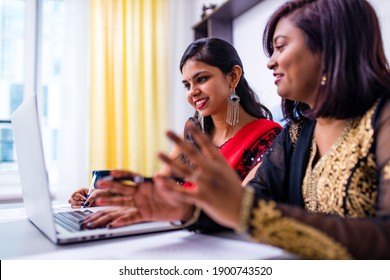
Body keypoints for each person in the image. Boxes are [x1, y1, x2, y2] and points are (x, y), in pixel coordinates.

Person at [150, 0, 390, 259]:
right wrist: (181, 210)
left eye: (281, 47)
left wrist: (247, 212)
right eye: (187, 84)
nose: (270, 63)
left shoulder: (382, 117)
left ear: (329, 47)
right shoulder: (297, 134)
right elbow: (250, 201)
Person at [70, 38, 282, 227]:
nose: (192, 92)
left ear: (233, 76)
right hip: (174, 230)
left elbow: (242, 206)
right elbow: (160, 185)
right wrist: (112, 194)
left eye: (201, 79)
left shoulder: (271, 138)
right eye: (187, 85)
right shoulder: (194, 132)